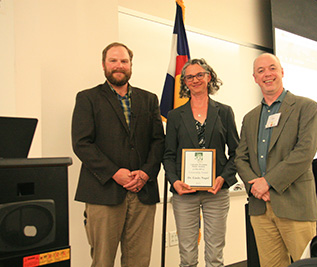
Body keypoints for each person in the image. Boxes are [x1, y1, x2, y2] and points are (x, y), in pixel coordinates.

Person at [71, 42, 165, 267]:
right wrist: (115, 173)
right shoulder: (87, 98)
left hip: (143, 191)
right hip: (104, 192)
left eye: (124, 61)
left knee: (139, 261)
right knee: (102, 261)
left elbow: (158, 141)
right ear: (104, 65)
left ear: (131, 65)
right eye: (113, 61)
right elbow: (82, 143)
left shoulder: (149, 99)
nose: (119, 65)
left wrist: (145, 173)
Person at [235, 53, 317, 267]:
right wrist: (256, 186)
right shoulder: (250, 117)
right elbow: (240, 157)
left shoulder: (306, 107)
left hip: (295, 204)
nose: (267, 74)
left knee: (307, 264)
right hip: (260, 207)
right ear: (254, 78)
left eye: (272, 68)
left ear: (282, 72)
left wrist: (268, 182)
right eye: (261, 71)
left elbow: (304, 152)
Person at [163, 58, 239, 267]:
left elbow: (236, 152)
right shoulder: (175, 116)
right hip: (184, 192)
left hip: (217, 192)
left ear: (209, 77)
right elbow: (168, 155)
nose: (195, 80)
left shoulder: (224, 112)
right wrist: (175, 181)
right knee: (187, 255)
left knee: (215, 254)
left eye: (199, 75)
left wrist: (224, 178)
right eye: (190, 77)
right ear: (184, 82)